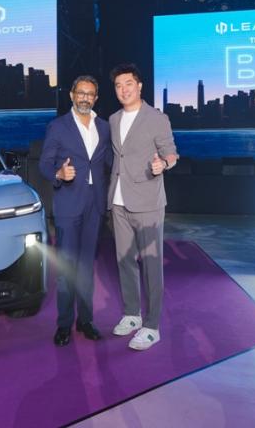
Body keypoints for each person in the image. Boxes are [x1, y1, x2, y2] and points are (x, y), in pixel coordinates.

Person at [108, 63, 178, 350]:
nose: (123, 89)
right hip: (118, 200)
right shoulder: (113, 119)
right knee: (124, 261)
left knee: (151, 266)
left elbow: (171, 153)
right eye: (118, 85)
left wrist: (164, 165)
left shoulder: (157, 118)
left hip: (147, 201)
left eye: (128, 84)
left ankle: (152, 326)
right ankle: (132, 314)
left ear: (139, 86)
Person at [39, 75, 112, 346]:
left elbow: (111, 161)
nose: (85, 98)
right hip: (69, 205)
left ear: (96, 98)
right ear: (71, 95)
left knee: (85, 268)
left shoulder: (104, 127)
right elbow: (44, 164)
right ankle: (64, 324)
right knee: (67, 267)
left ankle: (85, 320)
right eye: (81, 93)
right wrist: (58, 173)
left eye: (90, 94)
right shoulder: (58, 126)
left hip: (95, 205)